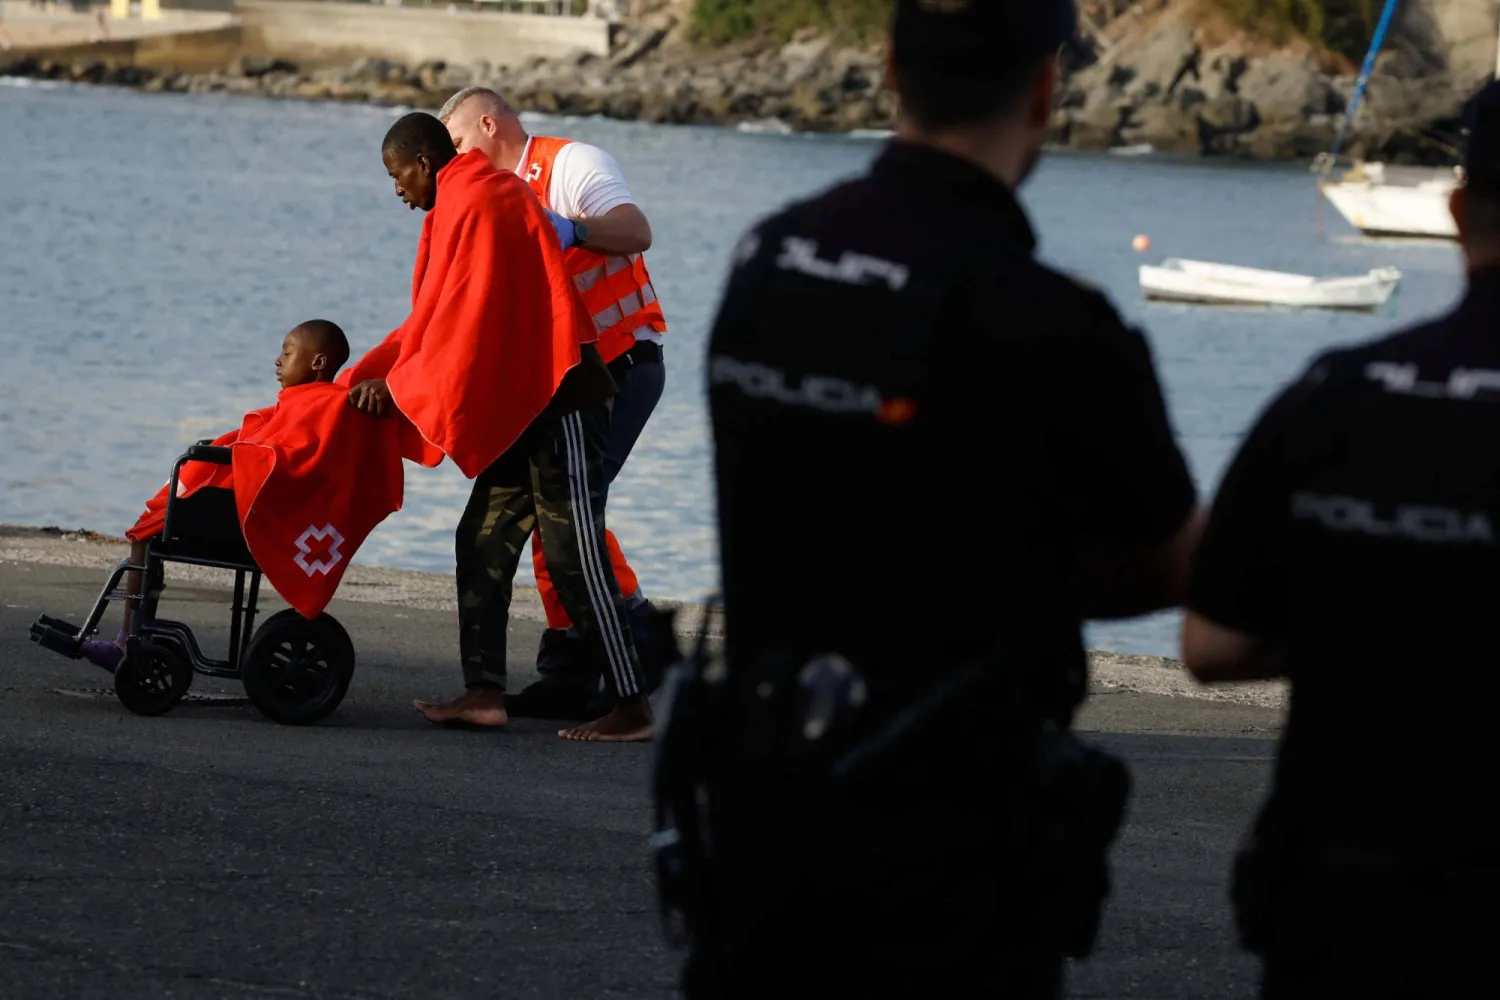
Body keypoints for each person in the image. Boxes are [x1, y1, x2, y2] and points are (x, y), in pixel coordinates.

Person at [658, 1, 1204, 996]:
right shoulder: (1052, 321)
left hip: (759, 818)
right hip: (952, 850)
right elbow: (1172, 562)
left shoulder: (769, 257)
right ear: (1046, 88)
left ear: (889, 67)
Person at [1181, 80, 1500, 999]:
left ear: (1456, 211)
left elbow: (1210, 644)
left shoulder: (1333, 395)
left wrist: (1379, 616)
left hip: (1346, 903)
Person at [348, 111, 652, 742]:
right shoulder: (462, 200)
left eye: (396, 174)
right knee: (481, 539)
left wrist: (399, 386)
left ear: (424, 162)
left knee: (574, 553)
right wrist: (366, 379)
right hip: (524, 403)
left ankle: (633, 705)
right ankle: (484, 694)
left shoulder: (484, 198)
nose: (396, 188)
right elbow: (438, 318)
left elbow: (467, 317)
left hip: (559, 392)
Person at [438, 85, 666, 720]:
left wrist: (570, 228)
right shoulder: (479, 198)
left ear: (488, 123)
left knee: (568, 524)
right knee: (522, 525)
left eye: (457, 142)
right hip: (549, 388)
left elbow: (637, 230)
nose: (453, 158)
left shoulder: (570, 165)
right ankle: (562, 671)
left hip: (617, 371)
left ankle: (631, 647)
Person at [79, 320, 352, 672]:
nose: (277, 361)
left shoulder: (320, 405)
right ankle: (132, 637)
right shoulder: (308, 402)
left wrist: (232, 452)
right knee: (150, 530)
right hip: (252, 506)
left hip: (256, 513)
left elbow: (289, 456)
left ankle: (127, 640)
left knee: (148, 531)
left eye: (286, 352)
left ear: (318, 362)